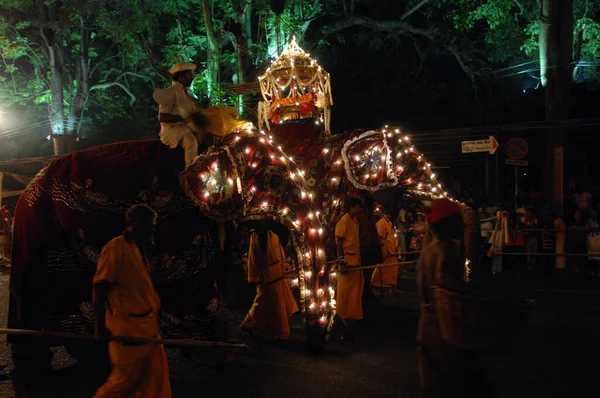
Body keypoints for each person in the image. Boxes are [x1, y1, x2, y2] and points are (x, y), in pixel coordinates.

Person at [417, 198, 495, 398]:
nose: (462, 225)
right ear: (448, 223)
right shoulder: (444, 249)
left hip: (429, 328)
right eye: (457, 220)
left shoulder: (428, 250)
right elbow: (445, 282)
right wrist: (475, 294)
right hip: (446, 329)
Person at [93, 204, 171, 398]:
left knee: (153, 382)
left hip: (148, 330)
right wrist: (100, 326)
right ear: (134, 224)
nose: (153, 230)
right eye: (150, 225)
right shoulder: (115, 249)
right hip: (129, 332)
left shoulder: (137, 248)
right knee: (120, 386)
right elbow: (99, 288)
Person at [241, 229, 299, 340]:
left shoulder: (270, 231)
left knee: (273, 300)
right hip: (268, 272)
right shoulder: (260, 232)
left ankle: (269, 326)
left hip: (275, 270)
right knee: (265, 298)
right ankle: (251, 323)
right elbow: (262, 255)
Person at [153, 62, 208, 169]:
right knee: (191, 142)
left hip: (185, 127)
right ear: (182, 76)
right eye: (190, 75)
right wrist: (184, 118)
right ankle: (190, 171)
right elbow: (162, 117)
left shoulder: (186, 93)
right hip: (172, 131)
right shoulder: (170, 92)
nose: (192, 77)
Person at [335, 197, 364, 321]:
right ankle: (342, 315)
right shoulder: (344, 221)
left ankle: (352, 314)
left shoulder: (355, 220)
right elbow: (339, 243)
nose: (360, 209)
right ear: (352, 207)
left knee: (355, 290)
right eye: (358, 207)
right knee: (345, 291)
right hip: (347, 261)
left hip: (356, 260)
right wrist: (341, 262)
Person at [371, 206, 402, 294]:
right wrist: (381, 250)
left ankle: (391, 286)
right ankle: (376, 284)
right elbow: (379, 237)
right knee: (383, 268)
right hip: (386, 249)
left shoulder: (388, 222)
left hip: (391, 249)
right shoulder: (382, 222)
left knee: (392, 269)